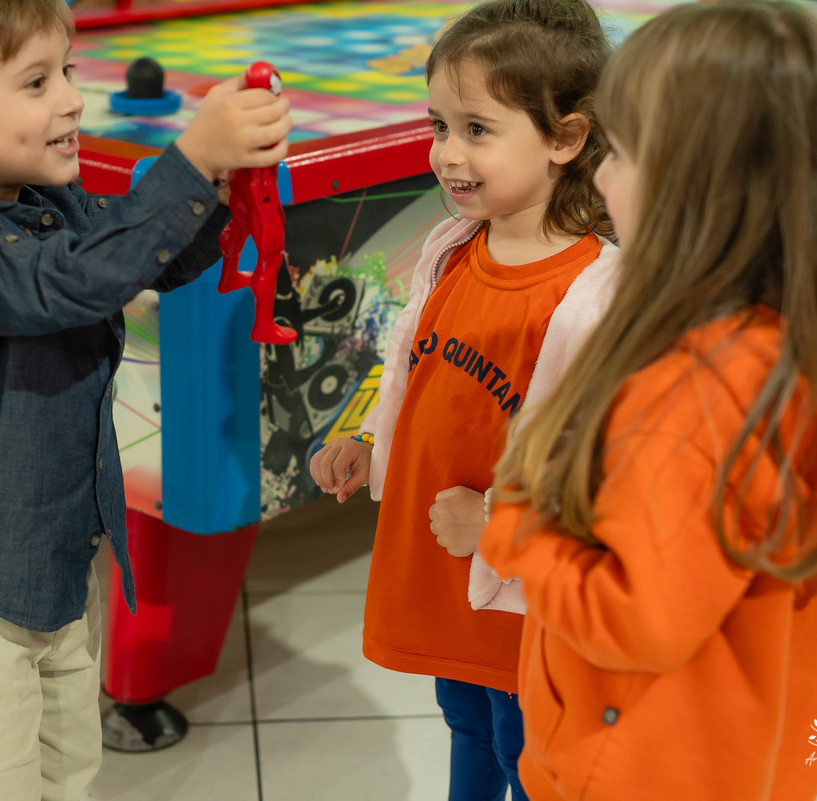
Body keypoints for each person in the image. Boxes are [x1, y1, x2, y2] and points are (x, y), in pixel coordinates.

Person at [480, 3, 817, 800]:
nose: (598, 173)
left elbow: (637, 618)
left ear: (699, 191)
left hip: (626, 771)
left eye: (620, 152)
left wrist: (516, 522)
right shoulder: (810, 348)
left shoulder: (695, 393)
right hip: (737, 761)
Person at [0, 1, 291, 799]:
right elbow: (68, 280)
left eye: (69, 71)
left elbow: (136, 258)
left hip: (58, 571)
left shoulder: (46, 202)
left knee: (68, 775)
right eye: (38, 81)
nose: (74, 98)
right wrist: (187, 161)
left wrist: (216, 185)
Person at [309, 1, 618, 798]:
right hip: (445, 569)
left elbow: (601, 467)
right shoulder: (452, 249)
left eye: (477, 129)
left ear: (566, 138)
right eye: (439, 126)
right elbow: (419, 372)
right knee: (467, 720)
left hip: (521, 585)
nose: (448, 154)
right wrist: (373, 440)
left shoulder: (591, 294)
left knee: (530, 747)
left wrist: (497, 528)